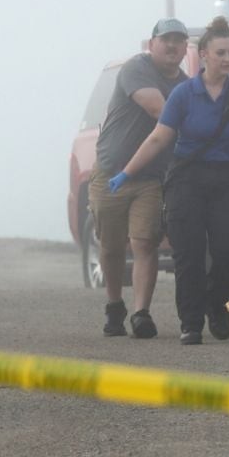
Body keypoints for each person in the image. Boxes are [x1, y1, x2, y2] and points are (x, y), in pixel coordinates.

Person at [110, 16, 229, 345]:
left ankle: (217, 308)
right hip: (187, 177)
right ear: (204, 54)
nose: (227, 59)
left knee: (228, 249)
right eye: (221, 53)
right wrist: (126, 173)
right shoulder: (183, 94)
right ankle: (191, 322)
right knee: (188, 253)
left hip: (226, 178)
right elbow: (159, 138)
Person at [88, 18, 189, 338]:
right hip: (111, 172)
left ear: (186, 47)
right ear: (152, 43)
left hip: (150, 178)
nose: (172, 46)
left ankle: (141, 313)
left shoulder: (185, 84)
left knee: (145, 242)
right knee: (112, 246)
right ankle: (114, 304)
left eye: (178, 40)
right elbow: (159, 110)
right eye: (166, 39)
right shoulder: (137, 69)